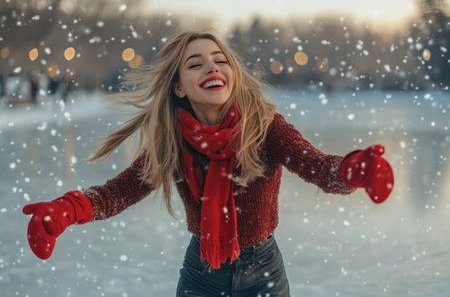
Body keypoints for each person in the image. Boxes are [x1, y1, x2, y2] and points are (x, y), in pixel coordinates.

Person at [22, 30, 394, 296]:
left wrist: (353, 170)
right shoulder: (174, 142)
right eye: (195, 64)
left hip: (264, 271)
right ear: (179, 87)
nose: (212, 68)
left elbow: (318, 166)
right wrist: (67, 211)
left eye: (220, 61)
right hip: (202, 275)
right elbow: (116, 192)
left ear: (232, 74)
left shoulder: (265, 129)